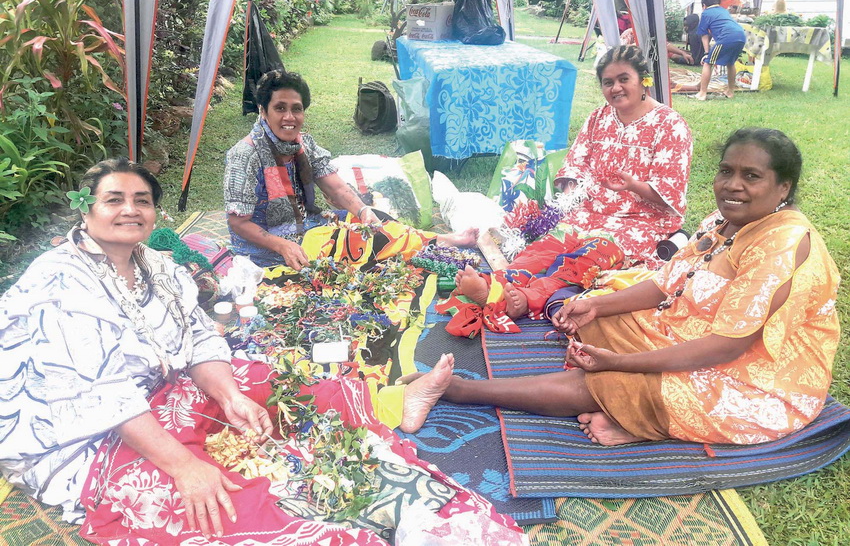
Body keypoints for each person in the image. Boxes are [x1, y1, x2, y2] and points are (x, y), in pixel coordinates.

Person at [0, 158, 521, 545]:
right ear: (87, 210)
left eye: (142, 200)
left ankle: (393, 416)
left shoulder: (155, 263)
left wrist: (228, 396)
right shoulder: (60, 283)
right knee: (224, 500)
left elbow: (199, 337)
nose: (130, 210)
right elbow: (100, 398)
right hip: (87, 439)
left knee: (290, 385)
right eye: (114, 200)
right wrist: (184, 465)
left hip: (164, 394)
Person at [401, 129, 841, 448]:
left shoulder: (781, 243)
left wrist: (628, 364)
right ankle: (630, 412)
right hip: (688, 333)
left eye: (752, 176)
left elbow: (727, 347)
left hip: (755, 377)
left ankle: (456, 390)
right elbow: (665, 285)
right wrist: (595, 304)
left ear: (783, 187)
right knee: (597, 324)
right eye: (727, 171)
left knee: (610, 380)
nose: (732, 185)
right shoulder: (722, 223)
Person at [455, 46, 692, 328]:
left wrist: (633, 185)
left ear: (643, 80)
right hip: (589, 212)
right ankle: (495, 284)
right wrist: (569, 201)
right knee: (546, 246)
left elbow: (670, 191)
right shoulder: (598, 118)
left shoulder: (670, 125)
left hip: (640, 222)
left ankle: (529, 298)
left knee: (588, 256)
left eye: (623, 79)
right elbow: (575, 165)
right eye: (608, 82)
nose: (615, 88)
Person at [224, 70, 476, 269]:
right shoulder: (245, 155)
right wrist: (281, 245)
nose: (289, 117)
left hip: (305, 227)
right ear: (263, 111)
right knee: (365, 248)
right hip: (266, 249)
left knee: (375, 222)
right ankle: (441, 243)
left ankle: (438, 241)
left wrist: (363, 210)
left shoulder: (302, 145)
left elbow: (334, 185)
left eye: (296, 109)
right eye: (280, 108)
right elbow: (238, 221)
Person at [693, 0, 747, 101]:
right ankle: (730, 91)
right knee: (730, 63)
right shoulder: (724, 11)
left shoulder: (706, 13)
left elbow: (704, 34)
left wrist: (707, 53)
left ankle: (702, 93)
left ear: (704, 5)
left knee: (708, 63)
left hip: (726, 37)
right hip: (741, 36)